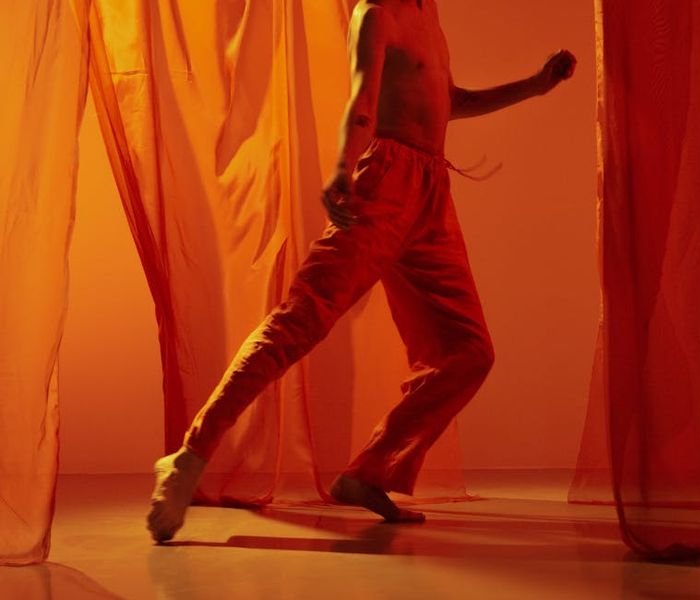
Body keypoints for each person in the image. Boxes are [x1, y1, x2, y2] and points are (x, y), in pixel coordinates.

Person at [147, 0, 576, 542]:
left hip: (430, 190)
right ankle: (189, 457)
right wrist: (343, 166)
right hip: (385, 182)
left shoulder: (428, 14)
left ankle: (367, 473)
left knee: (468, 351)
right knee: (301, 319)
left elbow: (450, 101)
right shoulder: (375, 14)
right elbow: (363, 102)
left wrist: (534, 86)